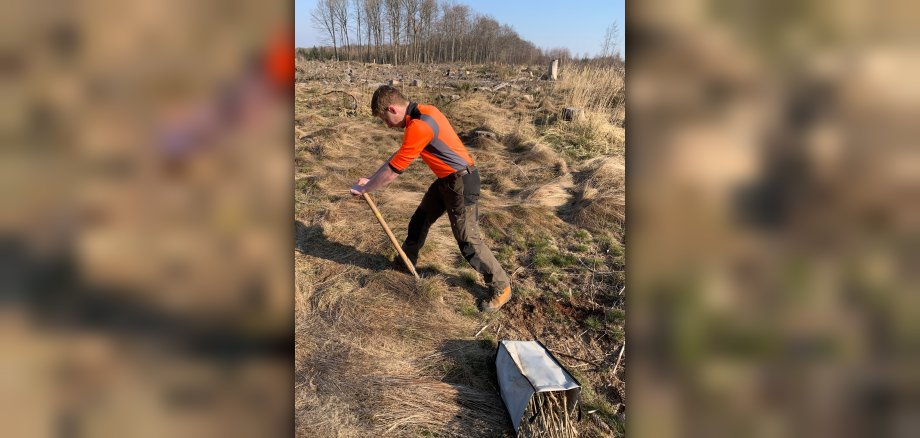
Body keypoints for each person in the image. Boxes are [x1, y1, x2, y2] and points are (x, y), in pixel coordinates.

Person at [350, 85, 511, 312]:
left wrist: (367, 189)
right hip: (447, 180)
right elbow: (395, 158)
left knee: (467, 239)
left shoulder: (420, 125)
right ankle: (406, 262)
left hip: (462, 183)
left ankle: (501, 285)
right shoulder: (424, 112)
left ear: (392, 109)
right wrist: (369, 180)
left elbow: (393, 172)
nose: (385, 125)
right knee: (420, 219)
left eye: (384, 118)